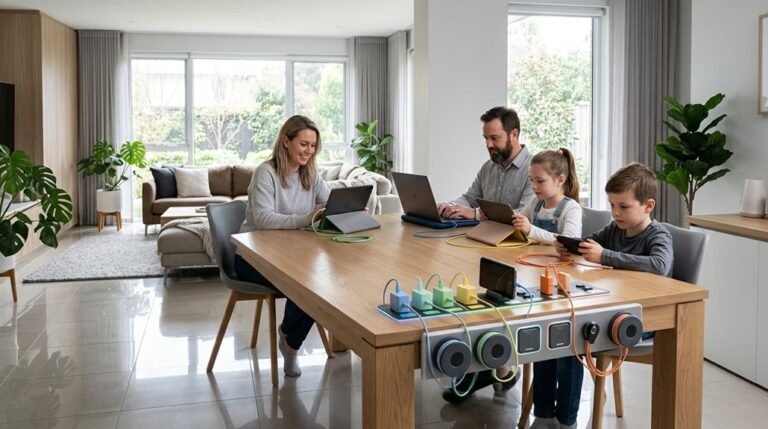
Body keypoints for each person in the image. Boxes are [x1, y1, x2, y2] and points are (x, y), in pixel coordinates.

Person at [533, 162, 673, 429]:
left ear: (648, 205)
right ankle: (543, 414)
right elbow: (591, 242)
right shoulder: (615, 229)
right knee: (550, 330)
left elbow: (659, 265)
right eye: (612, 205)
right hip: (610, 309)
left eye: (623, 206)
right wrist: (574, 249)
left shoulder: (658, 234)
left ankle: (566, 420)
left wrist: (605, 256)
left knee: (569, 338)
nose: (615, 212)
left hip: (638, 320)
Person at [235, 115, 329, 377]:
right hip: (251, 257)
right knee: (304, 284)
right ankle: (291, 343)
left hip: (292, 253)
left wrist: (345, 208)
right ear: (286, 141)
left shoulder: (310, 172)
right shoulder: (266, 173)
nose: (309, 152)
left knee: (317, 283)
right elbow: (263, 220)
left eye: (313, 146)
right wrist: (307, 219)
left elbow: (330, 201)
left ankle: (289, 340)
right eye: (303, 144)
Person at [511, 148, 583, 429]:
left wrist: (531, 231)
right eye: (531, 181)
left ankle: (566, 419)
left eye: (539, 181)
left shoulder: (571, 208)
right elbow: (523, 221)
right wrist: (517, 222)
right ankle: (543, 413)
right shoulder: (536, 204)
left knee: (565, 344)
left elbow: (569, 241)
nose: (534, 187)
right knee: (540, 340)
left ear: (560, 179)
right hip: (538, 280)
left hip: (565, 284)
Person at [437, 106, 535, 220]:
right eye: (486, 138)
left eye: (494, 138)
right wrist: (449, 207)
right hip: (486, 234)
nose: (489, 145)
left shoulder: (535, 169)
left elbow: (525, 214)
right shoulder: (488, 167)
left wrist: (475, 214)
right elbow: (470, 199)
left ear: (514, 134)